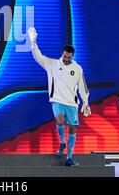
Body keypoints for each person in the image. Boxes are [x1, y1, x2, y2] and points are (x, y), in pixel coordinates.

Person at [28, 27, 91, 166]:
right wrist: (33, 43)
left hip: (72, 104)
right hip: (57, 100)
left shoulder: (78, 68)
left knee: (73, 128)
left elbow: (82, 86)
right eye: (65, 57)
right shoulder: (52, 64)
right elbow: (38, 57)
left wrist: (85, 102)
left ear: (72, 56)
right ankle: (62, 142)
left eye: (69, 57)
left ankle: (69, 157)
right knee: (60, 121)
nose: (67, 59)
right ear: (61, 54)